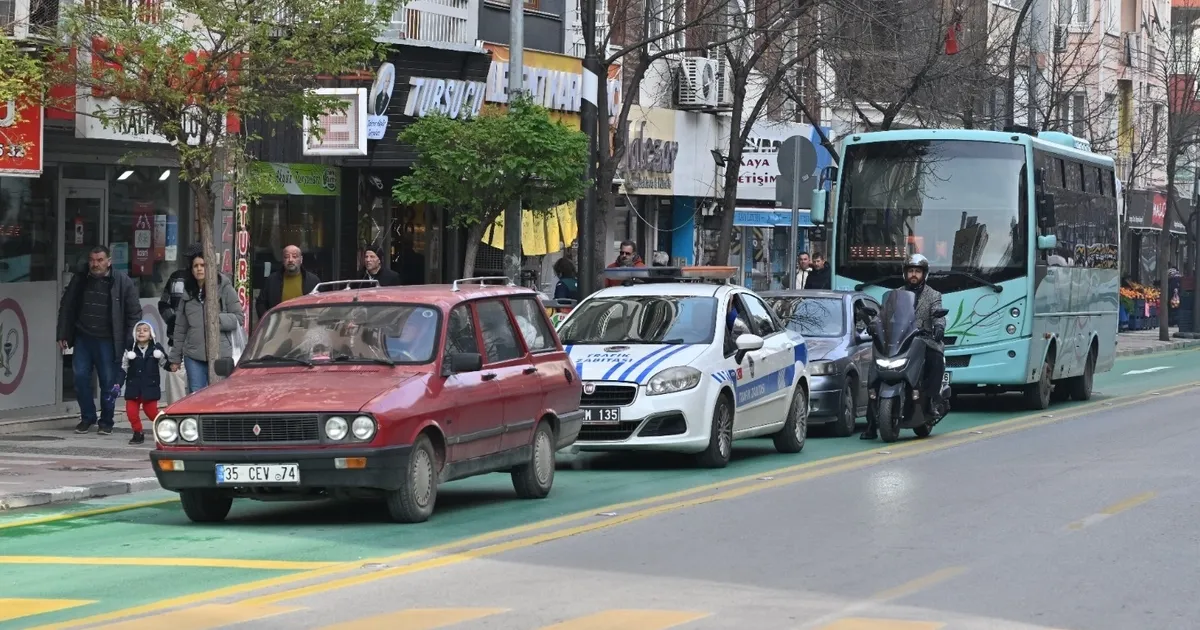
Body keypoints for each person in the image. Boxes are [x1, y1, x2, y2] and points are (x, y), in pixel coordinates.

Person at [56, 245, 142, 436]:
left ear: (109, 262)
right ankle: (87, 417)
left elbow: (134, 312)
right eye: (92, 260)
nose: (95, 264)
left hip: (108, 341)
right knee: (79, 379)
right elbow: (67, 306)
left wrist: (130, 339)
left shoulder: (121, 281)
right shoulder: (81, 279)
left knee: (108, 382)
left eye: (100, 260)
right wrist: (62, 333)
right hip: (83, 338)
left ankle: (107, 421)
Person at [862, 253, 946, 440]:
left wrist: (939, 327)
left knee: (936, 359)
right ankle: (870, 425)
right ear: (905, 274)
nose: (914, 275)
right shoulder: (896, 293)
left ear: (924, 274)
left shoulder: (933, 295)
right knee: (874, 371)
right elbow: (884, 314)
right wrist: (874, 324)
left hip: (924, 338)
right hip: (898, 339)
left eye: (917, 271)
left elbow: (938, 314)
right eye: (911, 271)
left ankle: (931, 401)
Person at [169, 251, 245, 393]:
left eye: (203, 265)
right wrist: (175, 358)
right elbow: (180, 328)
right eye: (195, 266)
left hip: (221, 355)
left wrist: (216, 319)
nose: (199, 269)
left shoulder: (225, 288)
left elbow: (238, 318)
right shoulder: (188, 293)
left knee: (219, 394)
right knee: (196, 394)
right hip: (194, 355)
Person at [121, 321, 168, 445]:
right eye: (138, 330)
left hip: (150, 387)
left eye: (145, 330)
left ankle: (166, 429)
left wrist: (172, 364)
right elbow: (123, 367)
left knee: (152, 412)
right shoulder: (130, 350)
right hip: (133, 387)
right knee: (131, 413)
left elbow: (165, 364)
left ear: (151, 334)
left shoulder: (156, 349)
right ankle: (138, 433)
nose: (141, 332)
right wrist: (118, 383)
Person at [255, 245, 320, 318]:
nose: (290, 260)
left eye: (294, 256)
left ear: (301, 260)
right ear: (283, 260)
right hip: (279, 325)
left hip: (306, 325)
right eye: (286, 257)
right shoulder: (272, 280)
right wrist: (269, 321)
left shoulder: (313, 280)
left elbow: (320, 305)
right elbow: (261, 303)